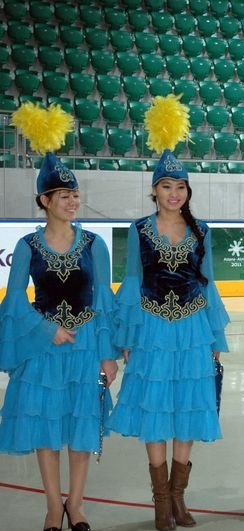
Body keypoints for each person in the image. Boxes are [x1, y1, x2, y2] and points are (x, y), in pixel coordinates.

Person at [107, 95, 229, 530]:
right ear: (154, 190)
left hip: (193, 328)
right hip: (153, 329)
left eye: (181, 187)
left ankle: (179, 497)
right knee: (157, 411)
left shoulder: (202, 230)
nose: (174, 194)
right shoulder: (139, 230)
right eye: (166, 187)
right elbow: (131, 282)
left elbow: (208, 282)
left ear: (187, 192)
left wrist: (214, 339)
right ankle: (160, 501)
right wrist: (127, 338)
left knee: (188, 409)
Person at [0, 103, 118, 531]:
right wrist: (46, 330)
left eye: (75, 194)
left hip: (86, 348)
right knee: (47, 431)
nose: (72, 201)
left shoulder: (94, 246)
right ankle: (53, 507)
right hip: (44, 351)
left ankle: (77, 504)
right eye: (64, 195)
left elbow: (104, 301)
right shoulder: (28, 247)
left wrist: (108, 354)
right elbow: (14, 301)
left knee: (81, 430)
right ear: (44, 201)